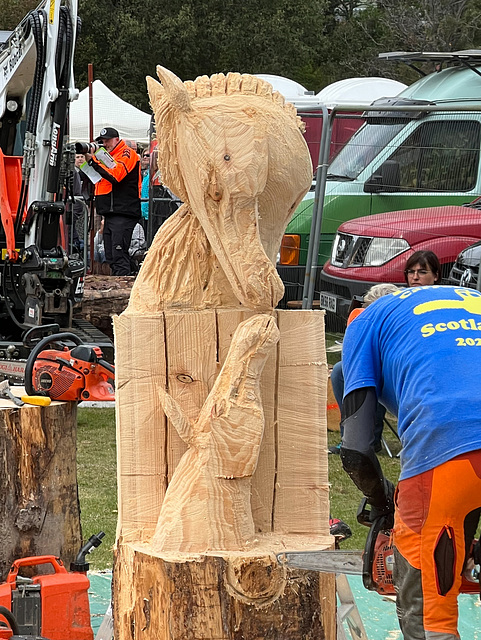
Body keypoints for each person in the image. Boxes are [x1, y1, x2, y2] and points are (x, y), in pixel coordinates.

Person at [339, 283, 481, 640]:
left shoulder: (364, 320)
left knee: (432, 623)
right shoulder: (469, 300)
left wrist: (384, 501)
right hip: (465, 450)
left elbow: (355, 448)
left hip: (450, 442)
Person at [329, 283, 399, 454]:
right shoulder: (365, 322)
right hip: (376, 371)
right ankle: (350, 437)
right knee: (340, 371)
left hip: (399, 375)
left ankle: (370, 436)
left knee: (372, 376)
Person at [85, 127, 141, 276]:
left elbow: (116, 176)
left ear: (117, 139)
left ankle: (125, 288)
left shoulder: (127, 154)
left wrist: (94, 163)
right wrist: (88, 163)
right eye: (102, 142)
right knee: (111, 255)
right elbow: (94, 179)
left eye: (108, 141)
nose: (105, 144)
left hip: (123, 212)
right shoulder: (104, 156)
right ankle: (135, 278)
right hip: (110, 213)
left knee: (118, 254)